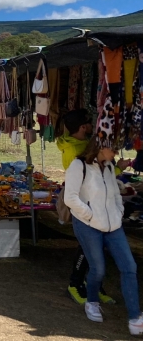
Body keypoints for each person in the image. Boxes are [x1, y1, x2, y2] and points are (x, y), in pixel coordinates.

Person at [64, 138, 143, 334]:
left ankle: (135, 317)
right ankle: (91, 301)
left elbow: (116, 194)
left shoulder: (108, 167)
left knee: (129, 267)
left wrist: (118, 211)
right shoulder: (78, 165)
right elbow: (70, 197)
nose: (116, 153)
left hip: (113, 225)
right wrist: (89, 214)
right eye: (113, 149)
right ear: (101, 147)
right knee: (98, 269)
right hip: (88, 224)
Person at [57, 110, 114, 305]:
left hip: (91, 200)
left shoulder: (75, 144)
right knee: (87, 245)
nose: (92, 125)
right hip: (83, 202)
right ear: (83, 127)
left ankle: (93, 285)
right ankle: (75, 284)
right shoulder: (78, 151)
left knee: (96, 245)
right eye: (89, 122)